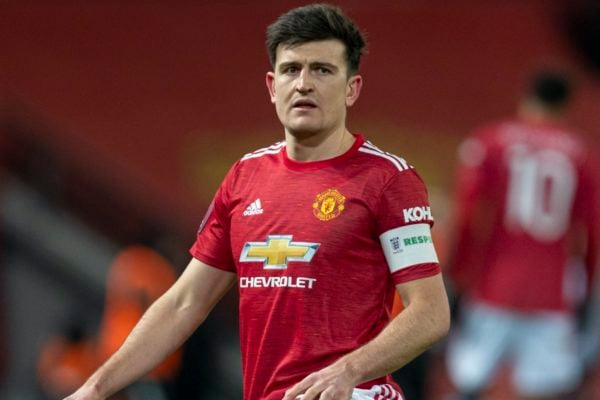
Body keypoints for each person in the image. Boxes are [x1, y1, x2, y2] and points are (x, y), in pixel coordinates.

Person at [64, 4, 450, 400]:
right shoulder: (245, 178)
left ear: (352, 88)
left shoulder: (389, 180)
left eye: (322, 69)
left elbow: (430, 313)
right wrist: (94, 389)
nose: (303, 84)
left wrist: (348, 372)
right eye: (291, 69)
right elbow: (185, 302)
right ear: (271, 86)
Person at [445, 71, 599, 400]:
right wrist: (585, 289)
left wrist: (457, 275)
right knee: (551, 389)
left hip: (493, 286)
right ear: (565, 105)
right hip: (552, 293)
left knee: (468, 383)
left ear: (526, 96)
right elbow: (591, 231)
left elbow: (469, 217)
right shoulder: (581, 155)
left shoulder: (489, 142)